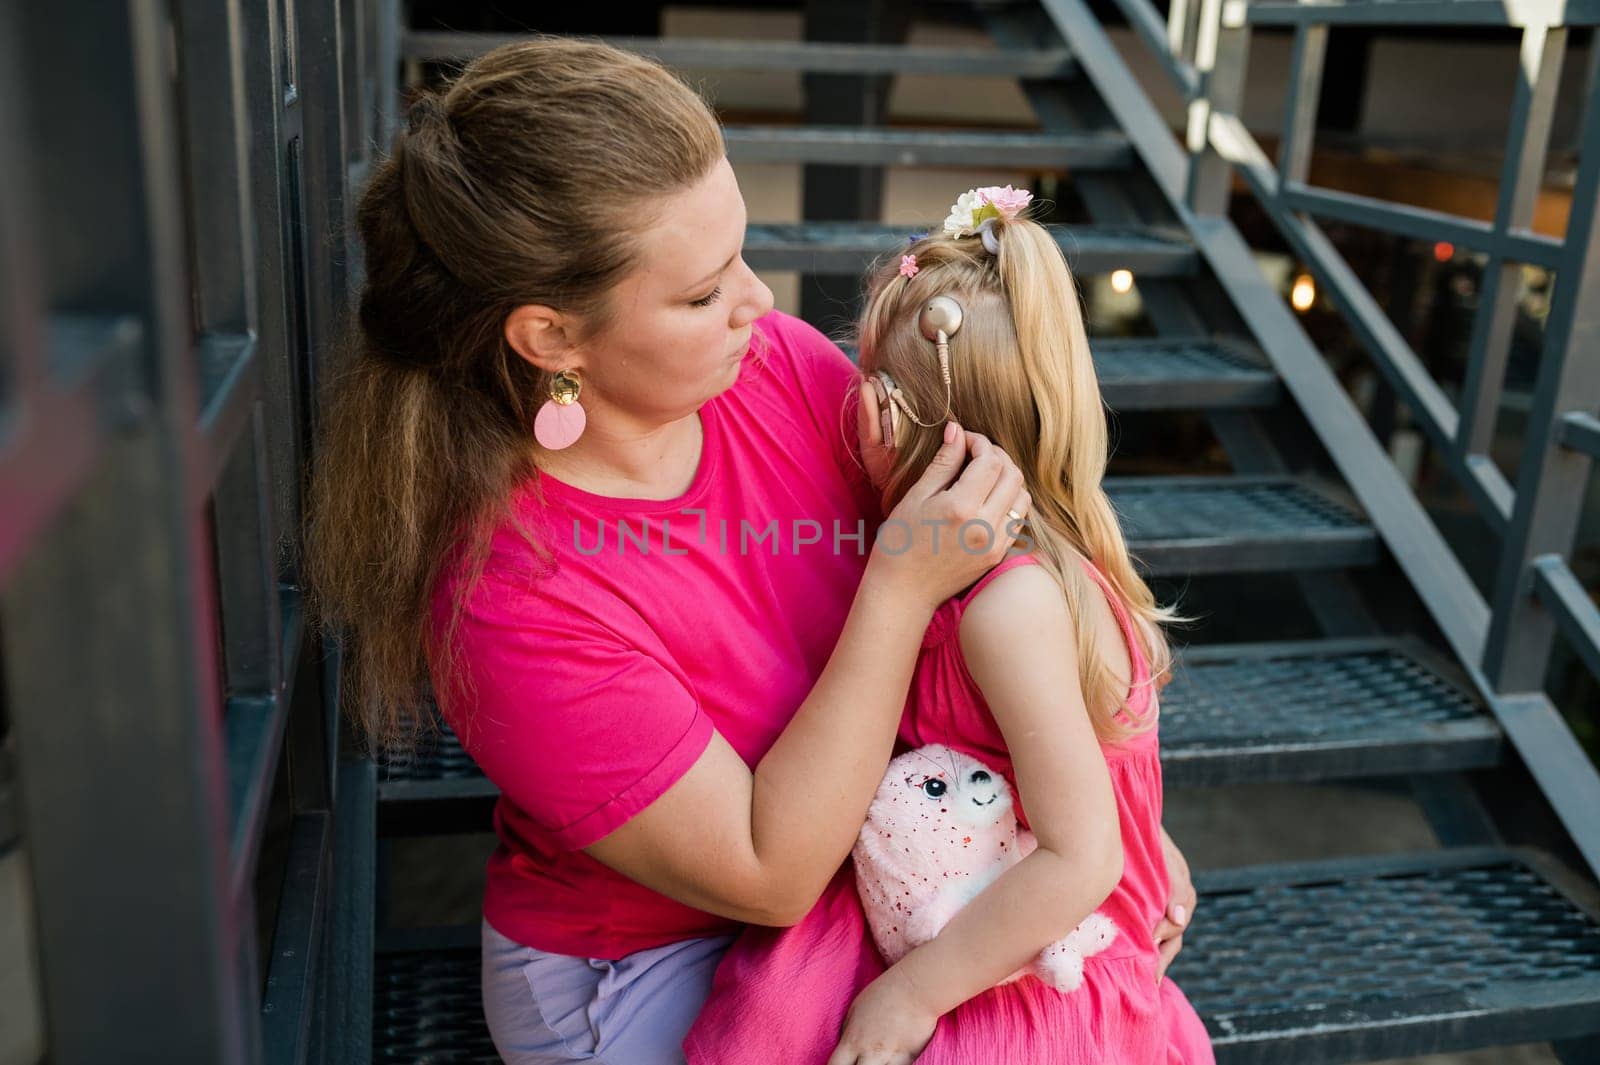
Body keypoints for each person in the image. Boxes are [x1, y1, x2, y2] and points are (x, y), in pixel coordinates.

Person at [301, 36, 1193, 1065]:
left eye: (740, 253)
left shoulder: (771, 371)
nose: (759, 302)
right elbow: (767, 868)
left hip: (885, 872)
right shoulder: (510, 595)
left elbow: (1004, 563)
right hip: (646, 962)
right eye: (698, 293)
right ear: (551, 339)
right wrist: (897, 590)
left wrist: (1105, 808)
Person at [683, 189, 1213, 1065]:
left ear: (897, 414)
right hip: (969, 885)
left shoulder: (1008, 607)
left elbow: (1082, 857)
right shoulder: (966, 577)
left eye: (864, 389)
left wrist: (910, 994)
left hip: (1034, 952)